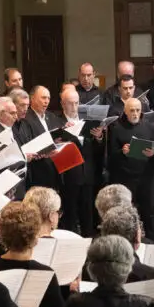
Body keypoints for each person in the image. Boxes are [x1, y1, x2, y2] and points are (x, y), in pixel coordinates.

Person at [108, 97, 154, 236]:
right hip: (125, 176)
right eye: (132, 110)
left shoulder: (149, 126)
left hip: (146, 175)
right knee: (125, 210)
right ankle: (125, 237)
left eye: (138, 110)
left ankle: (150, 237)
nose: (135, 113)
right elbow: (111, 155)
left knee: (148, 209)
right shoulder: (117, 128)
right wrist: (122, 152)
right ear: (125, 111)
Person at [57, 87, 102, 236]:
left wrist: (99, 138)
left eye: (76, 103)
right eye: (70, 103)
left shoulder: (87, 121)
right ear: (63, 104)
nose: (74, 107)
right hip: (68, 175)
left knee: (87, 214)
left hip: (87, 174)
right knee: (70, 214)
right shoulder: (57, 122)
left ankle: (88, 244)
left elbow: (95, 151)